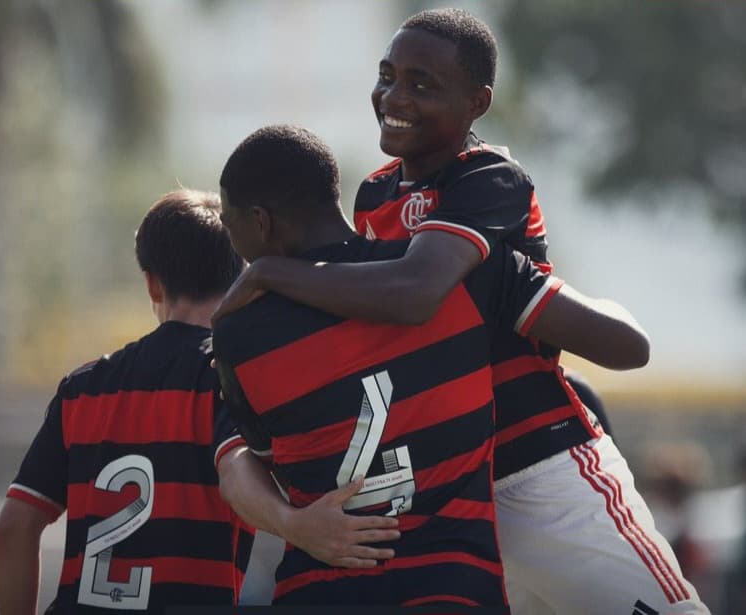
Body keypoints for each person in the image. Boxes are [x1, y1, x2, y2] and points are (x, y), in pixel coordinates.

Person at [211, 10, 709, 615]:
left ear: (477, 102)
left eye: (423, 84)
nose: (395, 97)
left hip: (540, 466)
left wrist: (265, 273)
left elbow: (416, 293)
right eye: (387, 75)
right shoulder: (374, 195)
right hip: (443, 496)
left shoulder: (489, 177)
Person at [0, 190, 397, 615]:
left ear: (152, 282)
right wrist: (295, 524)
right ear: (240, 275)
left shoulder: (83, 388)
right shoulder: (226, 374)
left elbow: (14, 528)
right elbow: (235, 470)